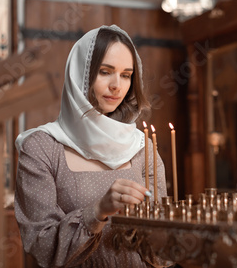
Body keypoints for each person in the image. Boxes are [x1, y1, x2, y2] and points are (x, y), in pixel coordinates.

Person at [14, 25, 168, 267]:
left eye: (126, 75)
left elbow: (162, 251)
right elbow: (42, 247)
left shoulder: (141, 146)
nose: (117, 85)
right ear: (80, 75)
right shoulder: (42, 147)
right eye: (105, 72)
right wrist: (97, 211)